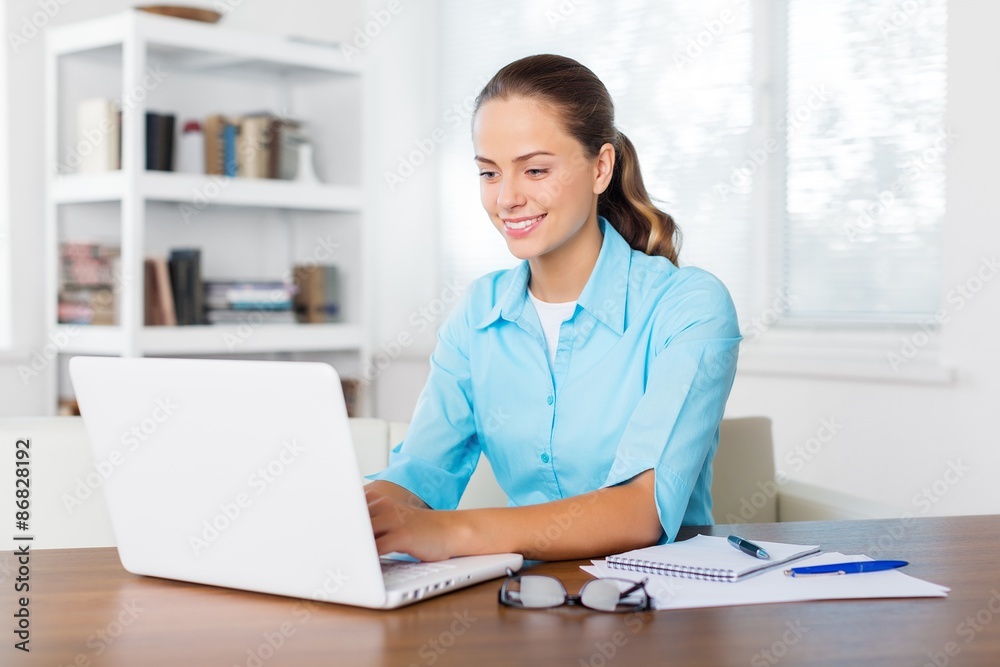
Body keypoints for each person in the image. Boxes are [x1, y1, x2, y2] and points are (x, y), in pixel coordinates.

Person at [365, 54, 740, 562]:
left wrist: (451, 533)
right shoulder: (479, 313)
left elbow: (640, 510)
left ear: (600, 168)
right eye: (489, 173)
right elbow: (420, 474)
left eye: (535, 170)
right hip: (525, 604)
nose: (507, 199)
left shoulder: (688, 306)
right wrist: (356, 514)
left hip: (659, 609)